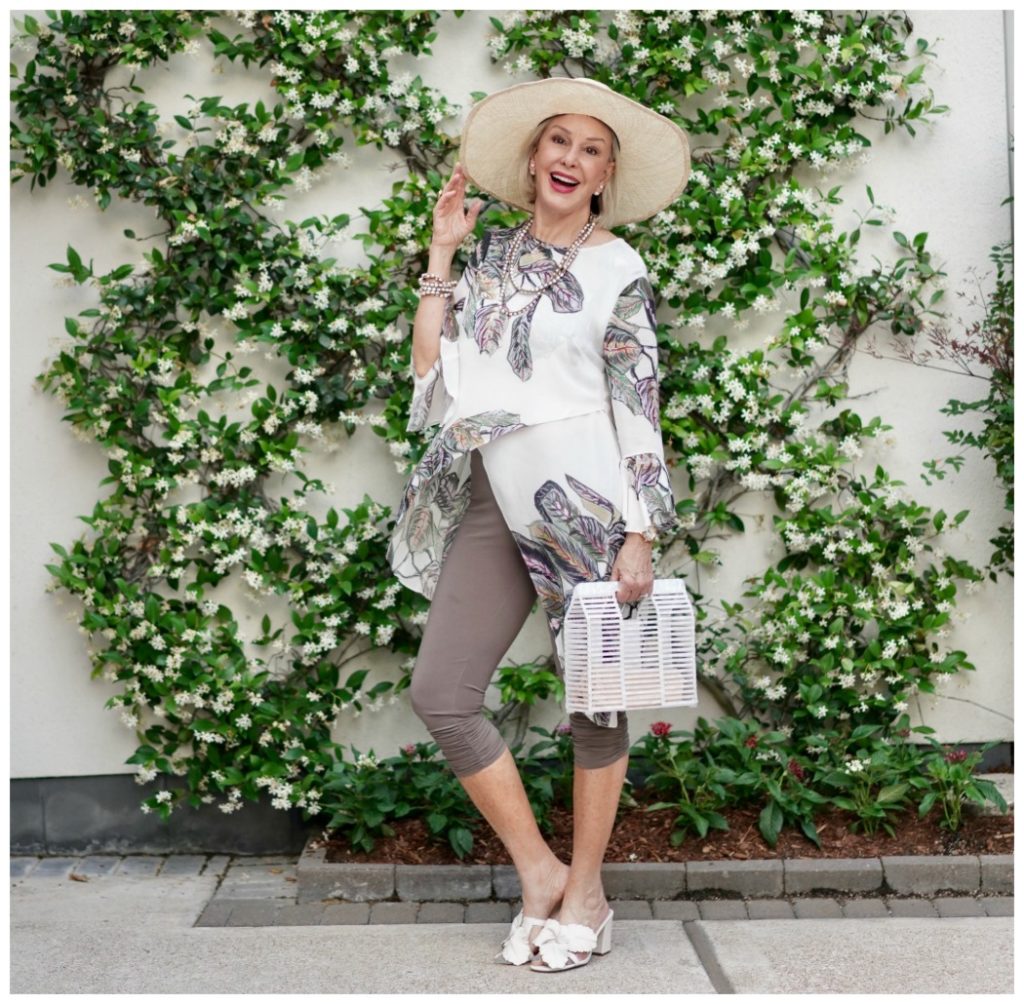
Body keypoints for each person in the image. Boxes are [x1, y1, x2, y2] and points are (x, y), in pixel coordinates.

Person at [386, 76, 690, 972]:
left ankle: (589, 895)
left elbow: (638, 400)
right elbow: (433, 376)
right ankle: (539, 870)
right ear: (532, 158)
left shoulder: (616, 266)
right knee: (442, 693)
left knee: (595, 701)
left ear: (604, 177)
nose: (570, 158)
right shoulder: (490, 259)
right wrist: (443, 253)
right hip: (493, 490)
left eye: (590, 150)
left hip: (587, 499)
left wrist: (640, 527)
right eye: (558, 141)